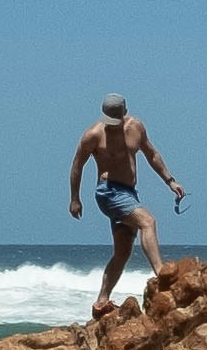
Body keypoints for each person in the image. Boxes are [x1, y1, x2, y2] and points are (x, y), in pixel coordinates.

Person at [67, 94, 182, 310]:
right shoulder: (93, 135)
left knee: (122, 253)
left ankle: (101, 301)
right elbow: (77, 166)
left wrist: (170, 181)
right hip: (108, 192)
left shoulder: (136, 127)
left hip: (129, 193)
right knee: (148, 222)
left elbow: (152, 155)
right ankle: (161, 274)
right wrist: (75, 199)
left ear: (125, 112)